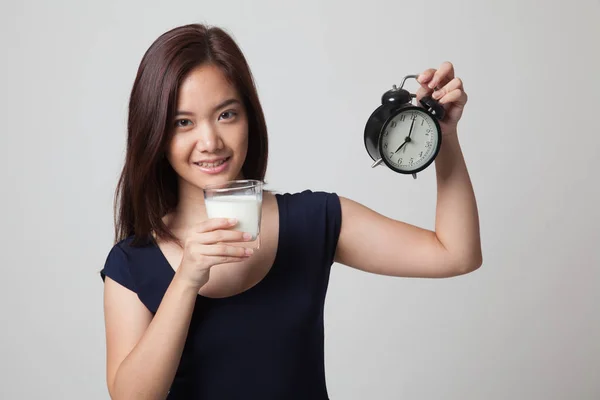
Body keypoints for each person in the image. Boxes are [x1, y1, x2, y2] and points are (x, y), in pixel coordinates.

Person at [100, 23, 482, 400]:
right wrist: (185, 280)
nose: (210, 141)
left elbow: (456, 254)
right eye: (183, 122)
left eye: (226, 114)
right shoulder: (133, 264)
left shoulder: (313, 221)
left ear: (250, 118)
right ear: (155, 133)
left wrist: (444, 137)